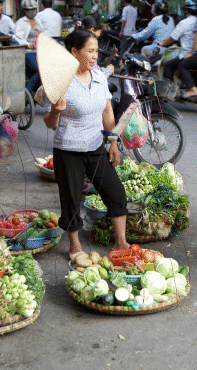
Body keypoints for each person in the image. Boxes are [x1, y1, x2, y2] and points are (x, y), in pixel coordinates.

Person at [41, 30, 130, 257]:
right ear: (74, 52)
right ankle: (75, 246)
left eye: (96, 51)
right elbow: (50, 124)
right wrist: (55, 111)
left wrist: (113, 141)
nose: (94, 56)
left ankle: (121, 242)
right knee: (70, 199)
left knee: (116, 193)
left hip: (95, 146)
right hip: (68, 149)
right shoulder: (60, 81)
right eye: (90, 51)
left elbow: (107, 110)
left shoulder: (99, 76)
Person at [158, 0, 197, 82]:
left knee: (167, 66)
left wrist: (163, 44)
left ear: (186, 10)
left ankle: (169, 91)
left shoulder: (184, 22)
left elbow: (172, 37)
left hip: (187, 55)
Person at [15, 0, 44, 95]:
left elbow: (43, 34)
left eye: (34, 9)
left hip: (40, 52)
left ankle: (34, 91)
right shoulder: (21, 22)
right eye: (30, 10)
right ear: (25, 11)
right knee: (40, 70)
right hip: (28, 52)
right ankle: (27, 91)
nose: (33, 11)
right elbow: (17, 38)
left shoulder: (38, 21)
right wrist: (28, 44)